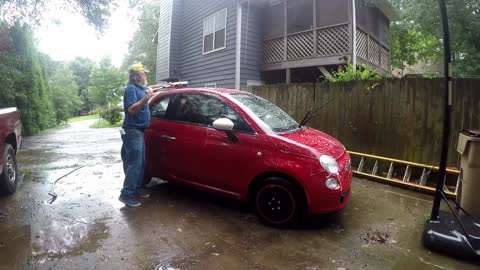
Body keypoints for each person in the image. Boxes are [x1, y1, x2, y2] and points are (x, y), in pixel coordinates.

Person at [119, 64, 154, 207]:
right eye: (143, 74)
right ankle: (126, 194)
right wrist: (147, 98)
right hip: (132, 130)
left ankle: (137, 187)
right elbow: (132, 110)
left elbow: (150, 90)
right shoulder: (131, 89)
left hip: (139, 131)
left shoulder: (140, 89)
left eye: (145, 74)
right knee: (135, 164)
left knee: (141, 162)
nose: (145, 76)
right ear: (136, 76)